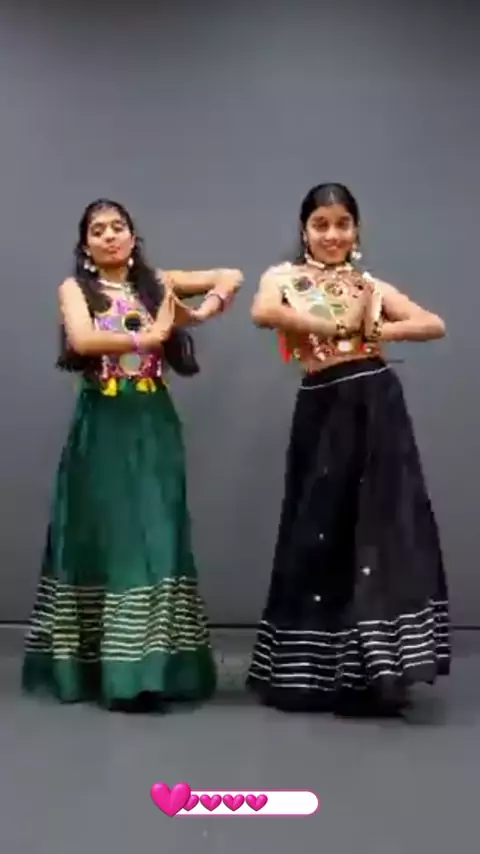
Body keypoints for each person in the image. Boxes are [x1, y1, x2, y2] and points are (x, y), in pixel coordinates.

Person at [22, 198, 242, 712]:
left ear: (132, 235)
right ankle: (112, 672)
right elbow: (83, 339)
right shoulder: (77, 289)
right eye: (97, 230)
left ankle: (155, 670)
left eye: (117, 226)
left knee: (158, 530)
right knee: (110, 534)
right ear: (85, 245)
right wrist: (153, 334)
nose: (109, 236)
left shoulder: (156, 282)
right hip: (104, 422)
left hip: (152, 420)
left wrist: (201, 310)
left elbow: (229, 275)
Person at [246, 182, 450, 717]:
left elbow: (433, 324)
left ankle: (376, 671)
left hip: (376, 403)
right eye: (321, 224)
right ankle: (313, 673)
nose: (332, 234)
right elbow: (264, 312)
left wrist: (378, 327)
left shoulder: (368, 284)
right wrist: (329, 323)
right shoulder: (284, 278)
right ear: (304, 230)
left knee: (378, 527)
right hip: (324, 403)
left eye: (342, 224)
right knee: (320, 527)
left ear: (356, 230)